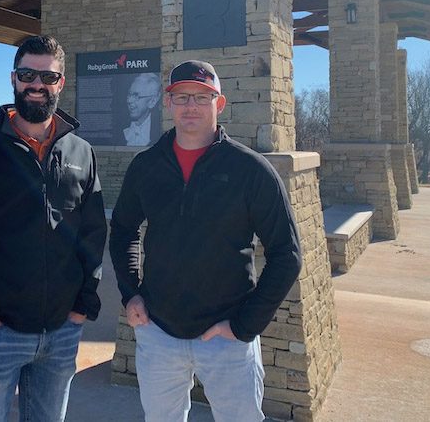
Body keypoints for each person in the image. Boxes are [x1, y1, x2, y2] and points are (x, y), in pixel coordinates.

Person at [109, 60, 302, 422]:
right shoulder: (146, 166)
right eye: (181, 97)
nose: (191, 106)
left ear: (220, 103)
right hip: (159, 332)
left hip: (226, 338)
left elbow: (287, 254)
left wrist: (244, 326)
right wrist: (130, 291)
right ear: (167, 103)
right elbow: (122, 230)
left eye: (202, 96)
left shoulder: (251, 170)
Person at [0, 35, 107, 422]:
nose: (37, 85)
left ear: (60, 83)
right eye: (28, 74)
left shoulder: (81, 152)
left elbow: (93, 234)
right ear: (14, 79)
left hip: (62, 333)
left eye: (47, 77)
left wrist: (82, 305)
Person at [121, 73, 161, 146]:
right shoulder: (120, 131)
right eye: (129, 94)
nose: (129, 100)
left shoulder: (158, 131)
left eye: (136, 96)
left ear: (152, 101)